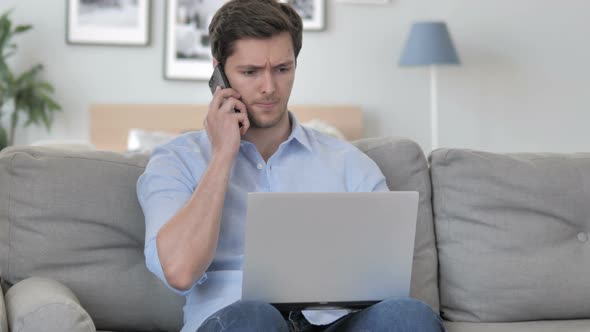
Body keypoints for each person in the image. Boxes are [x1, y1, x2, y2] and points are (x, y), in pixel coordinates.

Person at [137, 0, 446, 331]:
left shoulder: (348, 163)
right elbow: (180, 271)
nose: (269, 87)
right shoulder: (176, 161)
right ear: (218, 72)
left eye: (282, 69)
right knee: (253, 317)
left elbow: (385, 280)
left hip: (337, 323)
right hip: (241, 320)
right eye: (250, 72)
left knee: (409, 315)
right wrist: (223, 155)